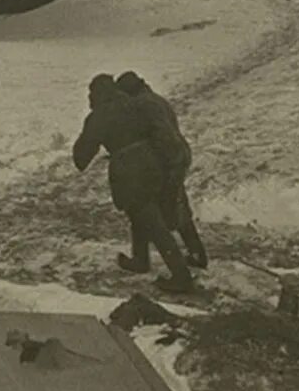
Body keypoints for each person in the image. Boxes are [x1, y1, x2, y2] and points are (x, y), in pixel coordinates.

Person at [73, 74, 194, 293]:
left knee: (151, 221)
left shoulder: (98, 116)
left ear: (98, 94)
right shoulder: (137, 104)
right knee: (139, 213)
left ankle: (181, 276)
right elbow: (159, 131)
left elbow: (81, 158)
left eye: (91, 94)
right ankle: (140, 259)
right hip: (154, 164)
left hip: (129, 172)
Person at [116, 71, 208, 270]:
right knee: (178, 206)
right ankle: (197, 254)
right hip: (178, 156)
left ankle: (141, 260)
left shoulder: (142, 105)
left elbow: (161, 135)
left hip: (167, 160)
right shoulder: (156, 99)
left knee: (142, 208)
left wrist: (157, 162)